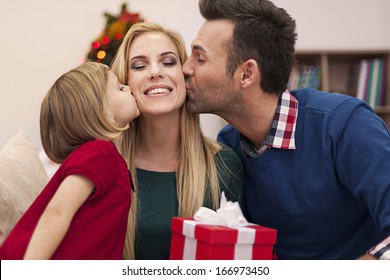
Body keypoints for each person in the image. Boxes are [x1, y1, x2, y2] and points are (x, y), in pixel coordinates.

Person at [182, 0, 390, 260]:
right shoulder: (229, 145)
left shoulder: (344, 124)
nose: (185, 68)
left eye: (199, 58)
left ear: (247, 74)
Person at [110, 22, 244, 260]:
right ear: (124, 84)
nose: (155, 72)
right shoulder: (105, 166)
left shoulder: (224, 165)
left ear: (184, 77)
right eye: (139, 66)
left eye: (169, 62)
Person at [0, 62, 140, 259]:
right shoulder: (100, 152)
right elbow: (57, 211)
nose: (128, 87)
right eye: (118, 87)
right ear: (102, 112)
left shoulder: (103, 155)